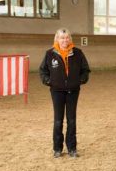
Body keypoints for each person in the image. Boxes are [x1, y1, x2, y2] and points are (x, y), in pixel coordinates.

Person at [39, 28, 91, 158]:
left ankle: (72, 148)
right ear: (57, 39)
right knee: (58, 120)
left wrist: (81, 80)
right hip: (57, 91)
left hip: (73, 91)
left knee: (71, 120)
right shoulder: (50, 54)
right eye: (62, 38)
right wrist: (49, 81)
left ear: (70, 39)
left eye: (67, 37)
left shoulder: (78, 53)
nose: (64, 40)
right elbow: (42, 70)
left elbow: (85, 69)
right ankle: (57, 148)